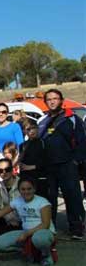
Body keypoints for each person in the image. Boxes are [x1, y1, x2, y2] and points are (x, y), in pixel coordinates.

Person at [38, 89, 86, 240]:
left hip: (67, 165)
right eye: (49, 99)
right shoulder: (42, 121)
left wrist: (75, 161)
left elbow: (82, 141)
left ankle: (76, 228)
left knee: (73, 197)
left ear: (61, 100)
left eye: (55, 98)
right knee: (50, 198)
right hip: (48, 167)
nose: (52, 101)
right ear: (45, 102)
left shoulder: (71, 118)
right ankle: (50, 227)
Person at [0, 177, 56, 266]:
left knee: (39, 239)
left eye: (29, 189)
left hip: (43, 232)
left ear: (34, 189)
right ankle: (28, 251)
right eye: (23, 189)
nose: (26, 192)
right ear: (19, 190)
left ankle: (46, 255)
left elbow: (45, 225)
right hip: (26, 232)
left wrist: (26, 235)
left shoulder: (43, 202)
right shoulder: (18, 201)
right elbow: (0, 213)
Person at [18, 122, 47, 197]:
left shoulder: (44, 142)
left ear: (37, 128)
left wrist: (31, 167)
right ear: (24, 131)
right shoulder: (23, 145)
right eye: (28, 129)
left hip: (40, 178)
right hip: (27, 179)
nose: (32, 131)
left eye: (34, 128)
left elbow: (47, 161)